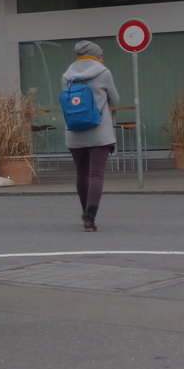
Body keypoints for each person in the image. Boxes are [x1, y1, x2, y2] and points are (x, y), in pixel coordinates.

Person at [61, 40, 120, 231]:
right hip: (99, 132)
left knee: (82, 175)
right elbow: (116, 100)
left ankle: (85, 213)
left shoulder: (67, 76)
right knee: (96, 176)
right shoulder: (104, 73)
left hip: (75, 131)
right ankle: (90, 217)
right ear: (96, 55)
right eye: (101, 55)